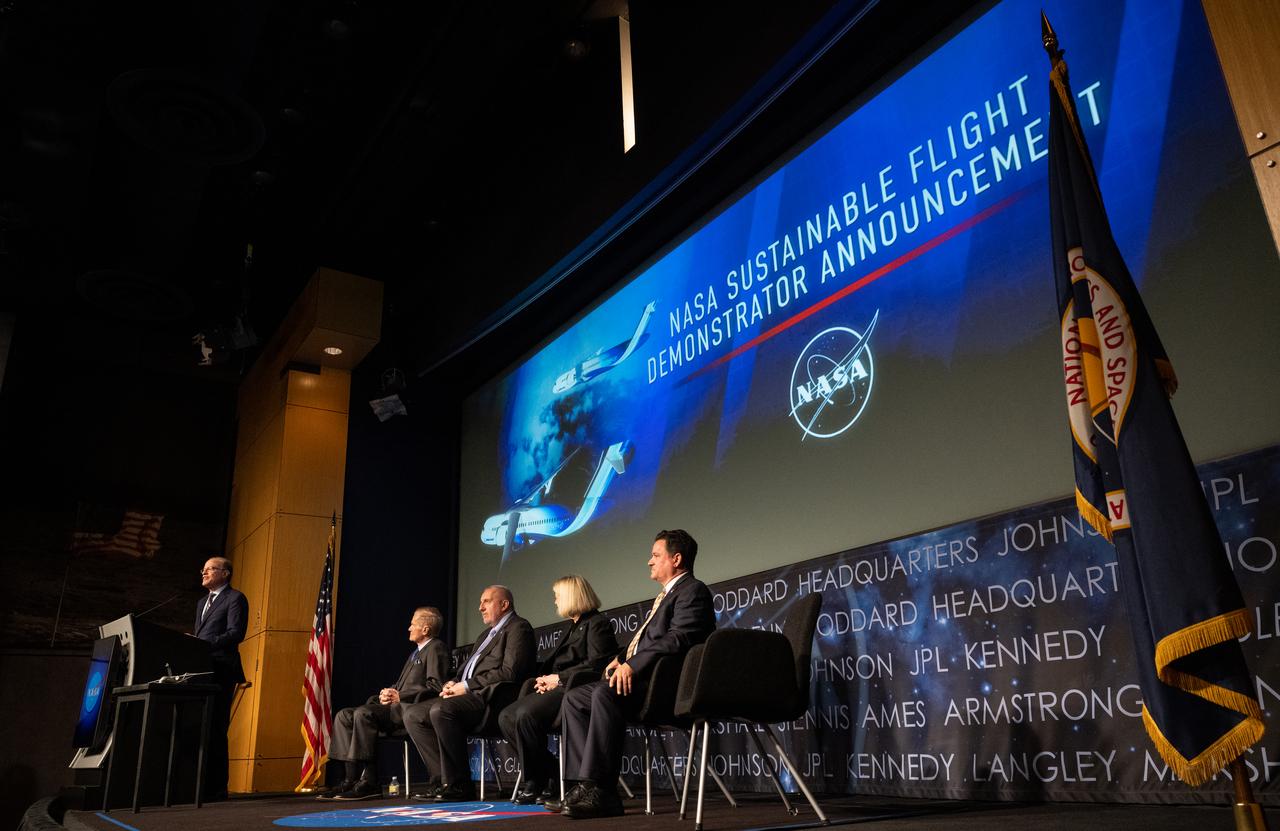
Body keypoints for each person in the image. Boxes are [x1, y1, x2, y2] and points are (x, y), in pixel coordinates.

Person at [551, 529, 715, 819]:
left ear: (676, 559)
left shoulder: (693, 590)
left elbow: (679, 638)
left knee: (604, 693)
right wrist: (619, 658)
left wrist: (633, 665)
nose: (649, 562)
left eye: (655, 555)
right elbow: (646, 640)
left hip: (667, 686)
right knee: (575, 698)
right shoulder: (667, 595)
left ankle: (603, 792)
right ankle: (582, 786)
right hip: (643, 680)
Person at [402, 585, 535, 802]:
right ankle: (442, 780)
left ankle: (460, 785)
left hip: (493, 699)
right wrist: (453, 682)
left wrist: (466, 686)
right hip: (468, 696)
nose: (480, 607)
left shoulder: (518, 628)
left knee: (441, 709)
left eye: (486, 601)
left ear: (504, 604)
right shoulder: (485, 634)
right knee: (413, 715)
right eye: (481, 602)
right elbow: (466, 669)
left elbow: (509, 672)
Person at [499, 576, 616, 804]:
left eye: (558, 595)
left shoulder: (597, 623)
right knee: (505, 717)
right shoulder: (571, 627)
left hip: (574, 689)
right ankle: (550, 772)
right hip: (554, 688)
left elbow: (598, 664)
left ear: (573, 595)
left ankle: (535, 781)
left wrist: (558, 679)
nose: (554, 600)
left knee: (524, 716)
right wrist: (544, 679)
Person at [322, 607, 451, 801]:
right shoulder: (415, 654)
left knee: (364, 714)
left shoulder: (436, 648)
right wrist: (385, 694)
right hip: (394, 708)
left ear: (425, 629)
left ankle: (371, 782)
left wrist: (401, 697)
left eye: (413, 624)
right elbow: (400, 686)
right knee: (344, 715)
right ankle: (350, 779)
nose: (409, 628)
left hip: (409, 711)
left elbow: (435, 686)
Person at [194, 556, 248, 799]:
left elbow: (236, 633)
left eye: (210, 569)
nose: (204, 573)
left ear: (225, 573)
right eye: (203, 569)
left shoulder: (235, 598)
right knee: (201, 727)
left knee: (216, 727)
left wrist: (202, 644)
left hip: (222, 670)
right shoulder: (201, 603)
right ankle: (197, 785)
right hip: (202, 669)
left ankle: (216, 788)